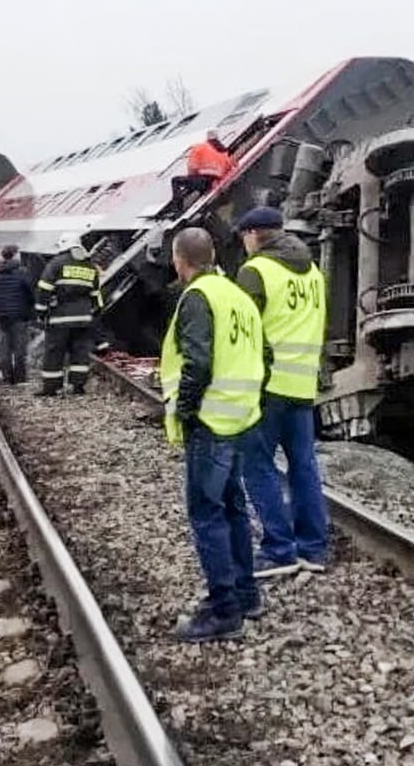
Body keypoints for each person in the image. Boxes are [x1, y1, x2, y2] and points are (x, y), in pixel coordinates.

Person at [161, 226, 267, 642]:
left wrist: (186, 410)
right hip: (240, 417)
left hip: (210, 421)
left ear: (179, 259)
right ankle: (247, 594)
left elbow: (198, 362)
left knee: (207, 514)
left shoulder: (198, 297)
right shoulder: (237, 295)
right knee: (233, 507)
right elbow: (265, 354)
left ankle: (223, 610)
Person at [235, 207, 330, 577]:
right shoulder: (314, 273)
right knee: (303, 466)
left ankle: (279, 550)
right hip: (302, 386)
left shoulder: (256, 270)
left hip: (266, 387)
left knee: (256, 466)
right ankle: (313, 549)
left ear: (253, 235)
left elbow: (244, 332)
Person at [34, 233, 102, 396]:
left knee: (54, 353)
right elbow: (96, 296)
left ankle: (51, 388)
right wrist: (92, 314)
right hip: (83, 319)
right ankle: (78, 386)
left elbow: (44, 289)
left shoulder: (56, 263)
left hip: (60, 318)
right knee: (80, 352)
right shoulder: (90, 267)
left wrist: (41, 312)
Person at [0, 245, 34, 384]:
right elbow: (30, 294)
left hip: (1, 316)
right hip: (19, 316)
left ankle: (7, 377)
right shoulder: (22, 273)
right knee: (19, 349)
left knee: (4, 348)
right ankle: (20, 377)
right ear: (14, 255)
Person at [167, 130, 237, 216]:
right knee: (194, 185)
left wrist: (191, 179)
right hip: (212, 183)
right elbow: (229, 167)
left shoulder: (200, 147)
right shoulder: (223, 152)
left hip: (202, 181)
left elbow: (192, 167)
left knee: (175, 180)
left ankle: (177, 208)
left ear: (207, 138)